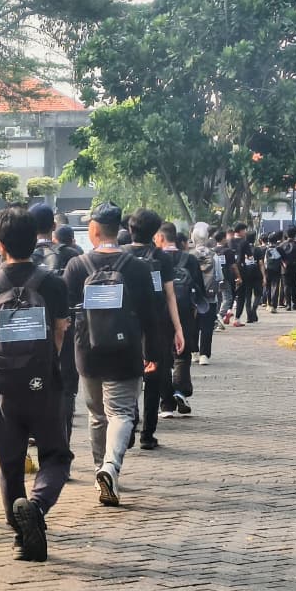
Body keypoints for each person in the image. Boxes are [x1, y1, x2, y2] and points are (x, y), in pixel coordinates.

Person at [0, 206, 72, 562]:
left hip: (4, 384)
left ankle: (21, 536)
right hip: (44, 382)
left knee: (10, 460)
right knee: (56, 454)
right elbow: (61, 328)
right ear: (36, 240)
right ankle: (37, 505)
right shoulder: (53, 283)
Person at [64, 203, 163, 507]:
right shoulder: (137, 267)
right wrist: (152, 352)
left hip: (88, 351)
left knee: (97, 415)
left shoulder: (77, 266)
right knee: (121, 412)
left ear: (93, 230)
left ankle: (99, 470)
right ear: (118, 231)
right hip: (126, 349)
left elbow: (65, 314)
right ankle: (110, 467)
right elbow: (150, 315)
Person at [124, 209, 185, 449]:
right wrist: (178, 329)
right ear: (155, 232)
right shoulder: (162, 258)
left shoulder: (122, 256)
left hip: (126, 326)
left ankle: (127, 429)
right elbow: (170, 296)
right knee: (153, 379)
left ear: (130, 229)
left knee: (128, 379)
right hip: (157, 327)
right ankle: (147, 435)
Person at [160, 224, 202, 417]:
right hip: (185, 312)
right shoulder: (190, 259)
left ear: (160, 237)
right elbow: (199, 287)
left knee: (162, 358)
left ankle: (166, 404)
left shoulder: (155, 258)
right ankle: (179, 390)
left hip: (160, 312)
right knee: (182, 355)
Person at [52, 224, 83, 443]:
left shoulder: (31, 255)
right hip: (69, 325)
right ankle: (63, 440)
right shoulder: (76, 257)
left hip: (34, 332)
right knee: (66, 386)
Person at [189, 223, 219, 366]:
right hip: (210, 297)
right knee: (207, 326)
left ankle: (194, 352)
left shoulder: (188, 256)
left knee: (193, 325)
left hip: (193, 298)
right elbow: (219, 277)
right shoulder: (214, 255)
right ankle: (204, 355)